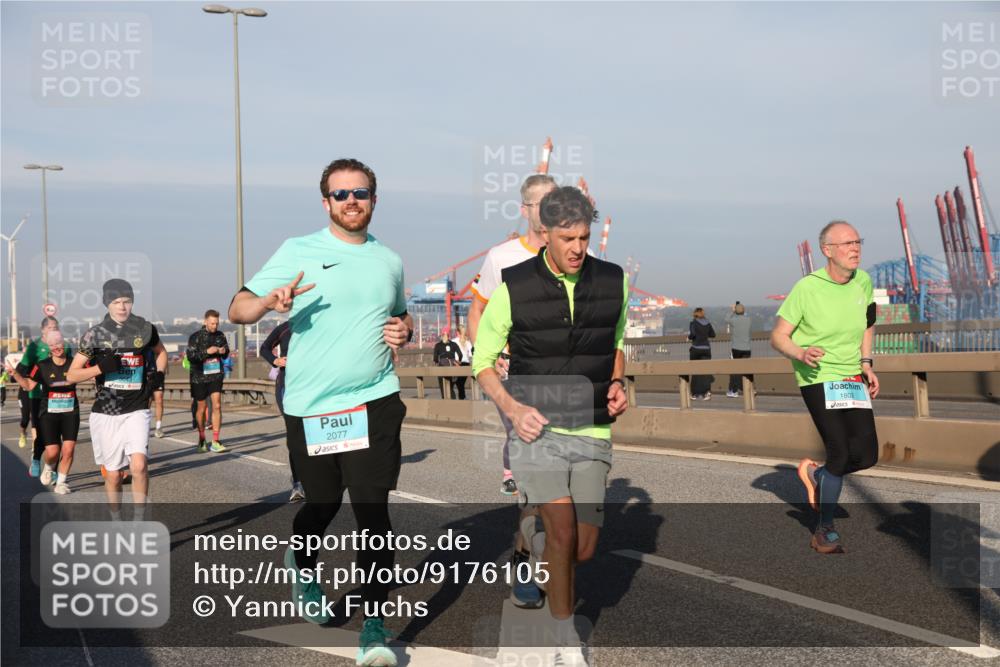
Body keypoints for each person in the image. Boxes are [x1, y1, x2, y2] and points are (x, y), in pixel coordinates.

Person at [229, 158, 412, 666]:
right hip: (311, 406)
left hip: (374, 398)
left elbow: (398, 314)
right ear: (326, 202)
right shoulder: (298, 250)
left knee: (373, 513)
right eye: (340, 194)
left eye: (361, 192)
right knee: (324, 504)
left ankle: (374, 626)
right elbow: (237, 309)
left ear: (374, 198)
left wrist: (405, 330)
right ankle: (302, 560)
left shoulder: (390, 261)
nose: (351, 200)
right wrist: (268, 300)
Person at [473, 186, 629, 666]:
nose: (578, 248)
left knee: (582, 547)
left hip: (591, 427)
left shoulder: (613, 280)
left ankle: (533, 539)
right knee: (563, 534)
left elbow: (617, 341)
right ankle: (566, 640)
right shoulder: (514, 286)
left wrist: (620, 381)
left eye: (584, 237)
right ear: (546, 234)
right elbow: (481, 361)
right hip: (535, 428)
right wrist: (513, 409)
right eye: (567, 238)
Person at [770, 221, 880, 554]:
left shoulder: (864, 281)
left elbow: (868, 324)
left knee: (867, 455)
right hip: (817, 376)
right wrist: (801, 353)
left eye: (858, 241)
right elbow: (778, 336)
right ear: (827, 250)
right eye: (847, 243)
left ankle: (819, 475)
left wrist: (866, 363)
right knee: (840, 450)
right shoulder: (807, 288)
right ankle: (824, 529)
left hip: (851, 376)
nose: (855, 248)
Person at [469, 174, 557, 497]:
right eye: (542, 204)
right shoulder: (501, 257)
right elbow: (476, 311)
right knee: (531, 450)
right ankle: (531, 535)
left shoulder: (572, 253)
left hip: (562, 373)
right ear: (524, 210)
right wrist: (489, 359)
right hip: (516, 372)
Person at [67, 279, 167, 520]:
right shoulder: (94, 335)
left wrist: (159, 375)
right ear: (107, 304)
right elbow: (71, 375)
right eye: (116, 302)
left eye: (127, 301)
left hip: (137, 407)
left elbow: (161, 353)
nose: (122, 306)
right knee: (113, 475)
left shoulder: (145, 328)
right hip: (107, 412)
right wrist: (99, 368)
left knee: (139, 465)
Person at [7, 331, 80, 494]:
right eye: (52, 344)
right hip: (49, 414)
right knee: (53, 452)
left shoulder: (74, 363)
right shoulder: (42, 366)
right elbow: (28, 385)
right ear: (49, 347)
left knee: (68, 449)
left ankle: (61, 482)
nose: (56, 347)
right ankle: (49, 467)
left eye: (59, 343)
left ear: (64, 344)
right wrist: (15, 374)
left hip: (71, 412)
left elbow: (91, 373)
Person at [261, 320, 304, 502]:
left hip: (313, 387)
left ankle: (315, 477)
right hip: (287, 388)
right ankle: (298, 483)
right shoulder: (285, 328)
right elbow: (264, 348)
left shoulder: (320, 324)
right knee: (296, 436)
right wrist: (276, 360)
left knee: (313, 435)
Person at [20, 317, 67, 475]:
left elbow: (72, 365)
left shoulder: (64, 345)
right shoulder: (35, 346)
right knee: (41, 432)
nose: (53, 330)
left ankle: (53, 469)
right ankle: (35, 458)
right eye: (50, 328)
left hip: (60, 396)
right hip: (38, 396)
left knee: (58, 434)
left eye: (56, 327)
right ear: (43, 330)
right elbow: (24, 367)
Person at [186, 310, 229, 453]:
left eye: (217, 323)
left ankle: (216, 440)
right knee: (201, 408)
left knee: (217, 405)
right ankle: (202, 438)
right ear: (205, 322)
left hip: (215, 375)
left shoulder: (220, 336)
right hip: (199, 376)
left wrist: (224, 351)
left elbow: (226, 352)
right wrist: (207, 352)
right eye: (212, 323)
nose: (215, 326)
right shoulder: (195, 337)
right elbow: (191, 357)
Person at [725, 301, 753, 398]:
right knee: (747, 369)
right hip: (747, 348)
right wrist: (739, 309)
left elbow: (726, 319)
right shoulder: (749, 320)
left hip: (736, 348)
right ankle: (751, 389)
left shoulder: (734, 320)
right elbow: (744, 314)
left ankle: (734, 390)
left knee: (735, 369)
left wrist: (732, 311)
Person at [688, 307, 715, 400]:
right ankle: (707, 392)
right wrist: (704, 334)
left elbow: (693, 334)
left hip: (696, 348)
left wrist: (689, 337)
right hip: (706, 349)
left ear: (695, 314)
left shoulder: (693, 323)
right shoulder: (707, 323)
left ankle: (694, 393)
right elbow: (713, 334)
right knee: (706, 371)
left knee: (695, 370)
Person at [432, 331, 463, 399]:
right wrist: (459, 361)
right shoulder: (454, 344)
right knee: (451, 386)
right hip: (453, 366)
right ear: (449, 336)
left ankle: (445, 401)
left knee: (443, 387)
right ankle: (453, 399)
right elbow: (460, 354)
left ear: (441, 336)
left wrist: (437, 362)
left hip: (442, 367)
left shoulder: (438, 345)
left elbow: (435, 358)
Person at [450, 325, 473, 400]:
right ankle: (462, 398)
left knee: (457, 383)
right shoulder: (468, 342)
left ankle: (460, 399)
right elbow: (471, 355)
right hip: (466, 364)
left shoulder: (453, 341)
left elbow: (450, 354)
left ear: (457, 332)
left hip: (457, 363)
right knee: (461, 384)